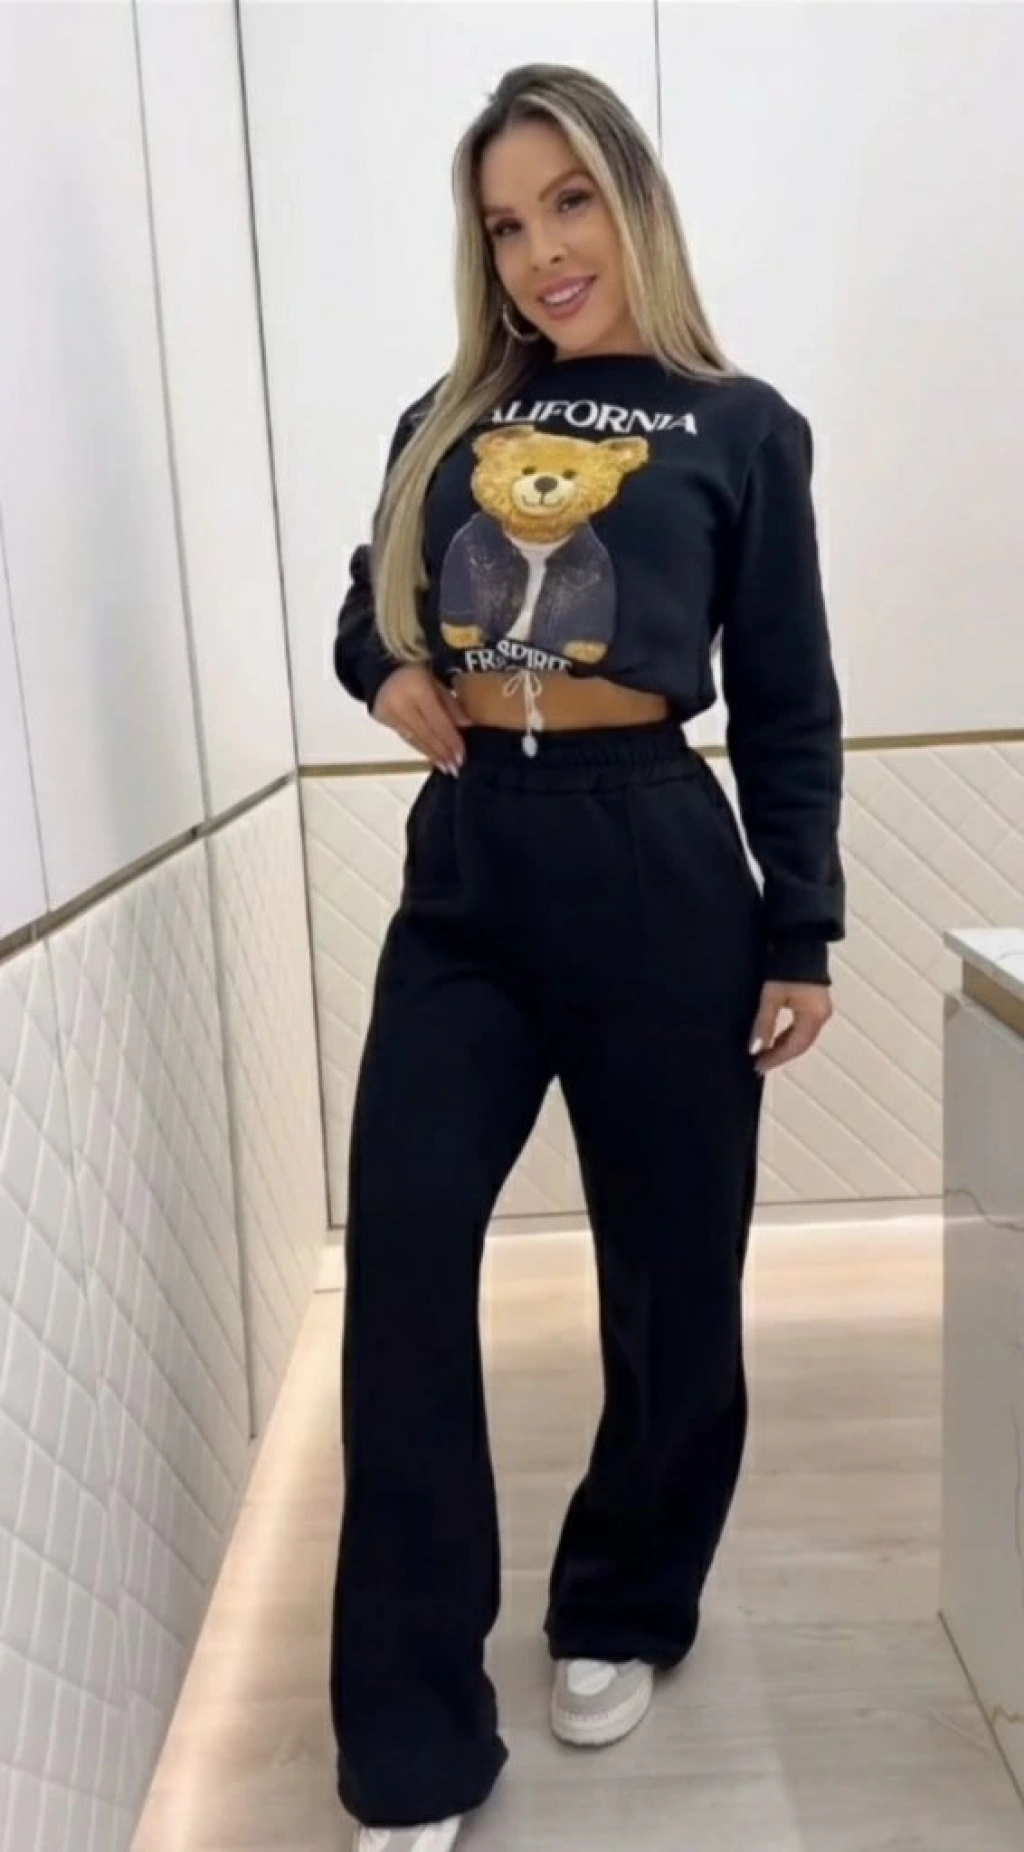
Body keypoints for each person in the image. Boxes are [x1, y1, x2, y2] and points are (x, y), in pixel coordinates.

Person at [330, 61, 845, 1852]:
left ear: (630, 200)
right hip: (472, 868)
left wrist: (802, 922)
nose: (541, 251)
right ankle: (410, 1736)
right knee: (404, 1261)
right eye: (504, 223)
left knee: (672, 1271)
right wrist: (383, 671)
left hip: (658, 858)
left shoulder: (741, 425)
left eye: (567, 202)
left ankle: (625, 1596)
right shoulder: (447, 415)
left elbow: (788, 694)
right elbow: (370, 596)